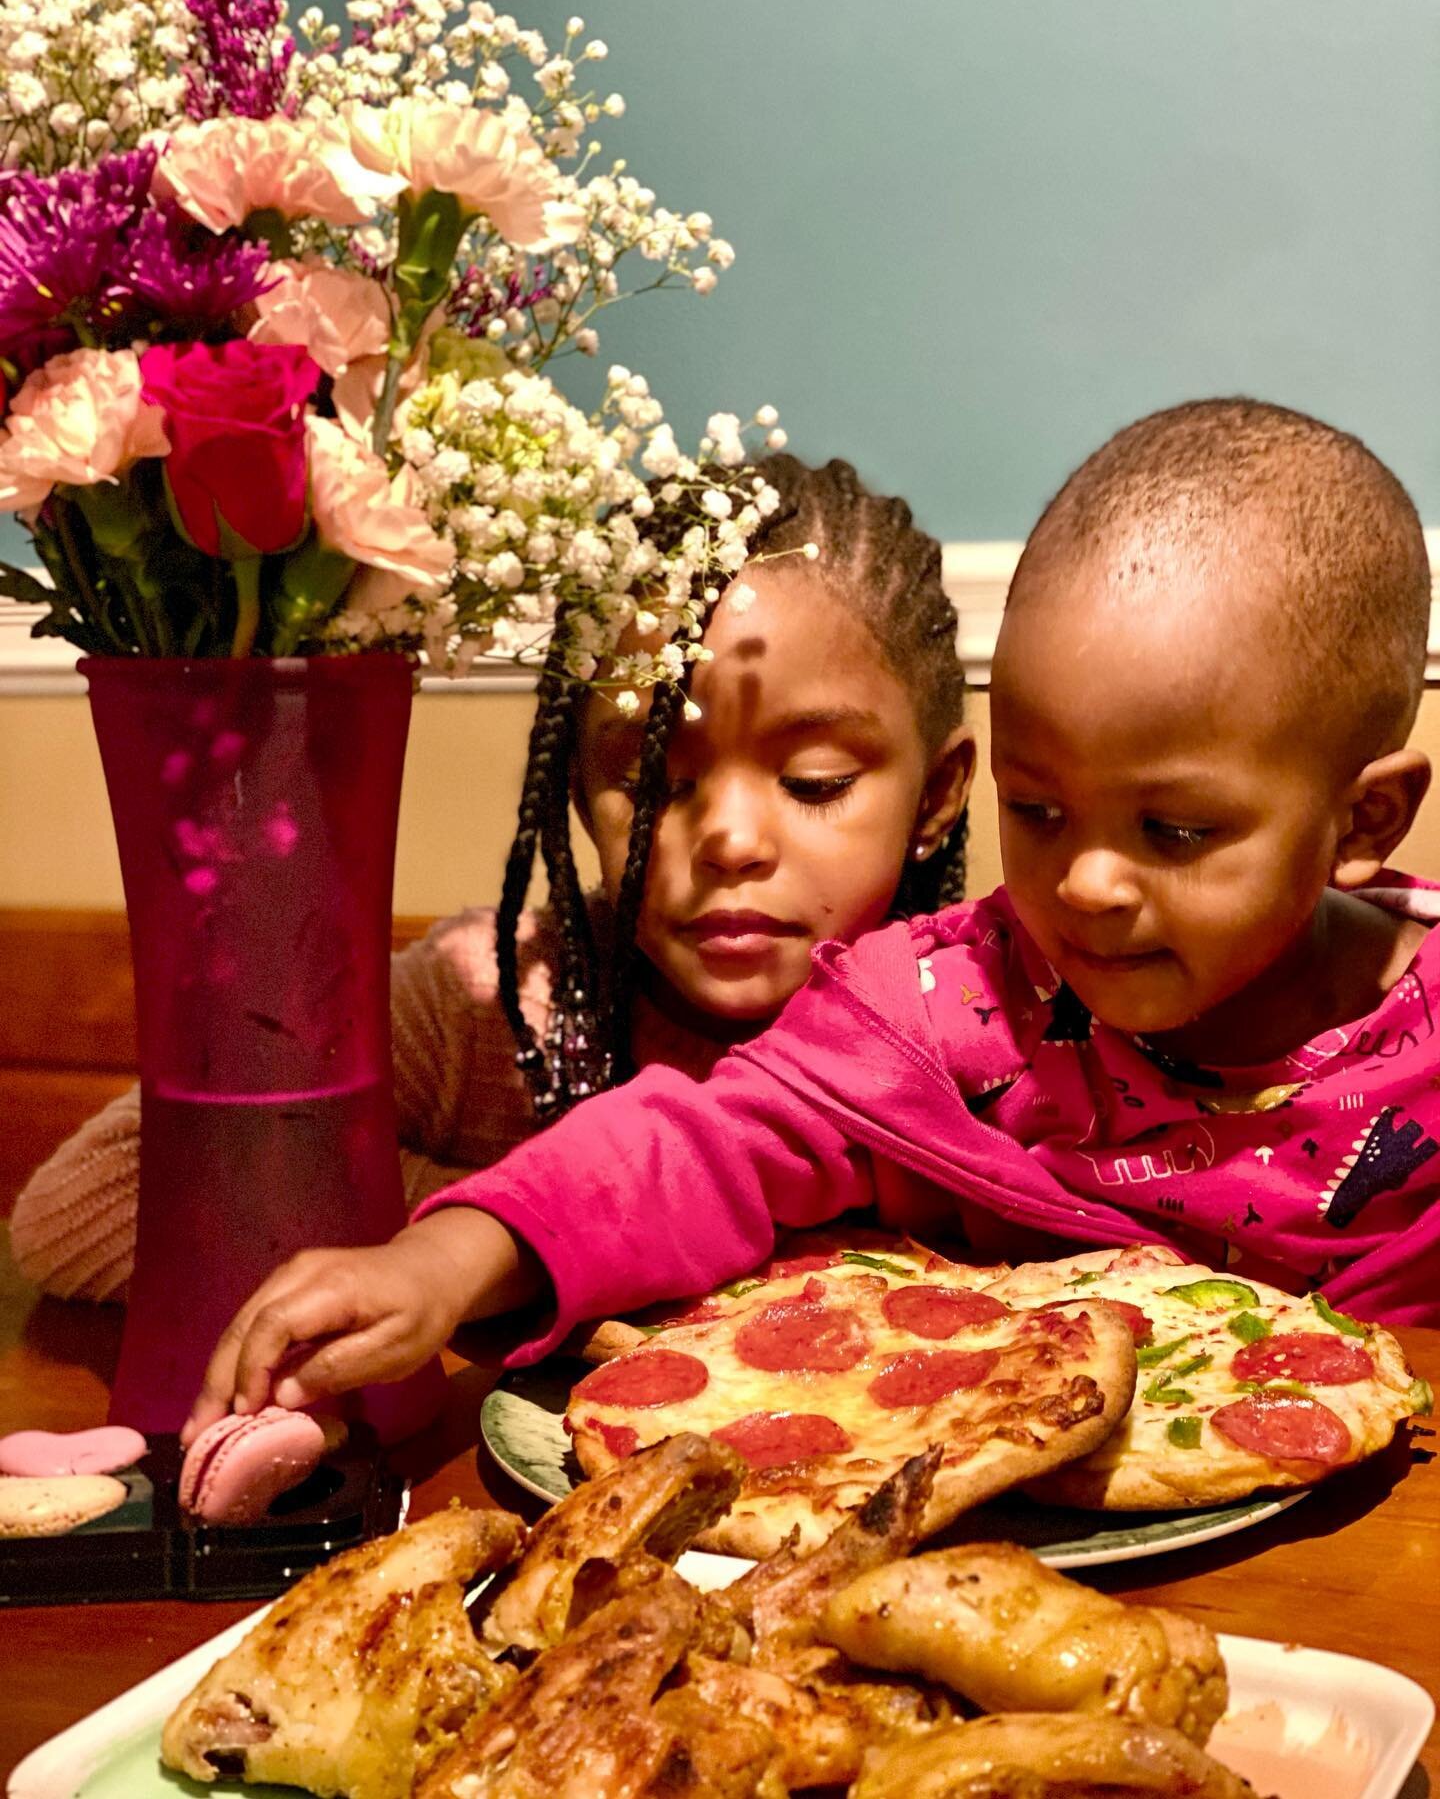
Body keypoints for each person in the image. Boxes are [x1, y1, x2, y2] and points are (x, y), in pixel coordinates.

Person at [188, 395, 1440, 1436]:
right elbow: (702, 1144)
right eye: (1042, 811)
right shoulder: (948, 1006)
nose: (1087, 886)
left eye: (1175, 832)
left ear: (1366, 822)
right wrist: (445, 1259)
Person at [8, 454, 976, 1306]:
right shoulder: (498, 1004)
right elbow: (81, 1203)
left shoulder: (991, 1027)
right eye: (650, 781)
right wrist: (503, 1236)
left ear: (935, 794)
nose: (727, 838)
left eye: (814, 784)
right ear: (572, 782)